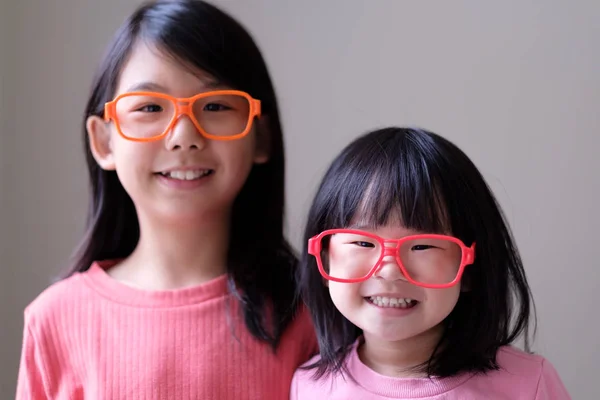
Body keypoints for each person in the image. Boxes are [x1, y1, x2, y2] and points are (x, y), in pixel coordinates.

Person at [16, 1, 317, 398]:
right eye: (150, 108)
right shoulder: (54, 320)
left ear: (260, 136)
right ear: (103, 141)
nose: (183, 135)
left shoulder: (312, 313)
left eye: (215, 106)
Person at [292, 127, 570, 399]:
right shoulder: (309, 388)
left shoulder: (528, 385)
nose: (389, 270)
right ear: (325, 260)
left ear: (469, 267)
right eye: (363, 243)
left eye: (422, 245)